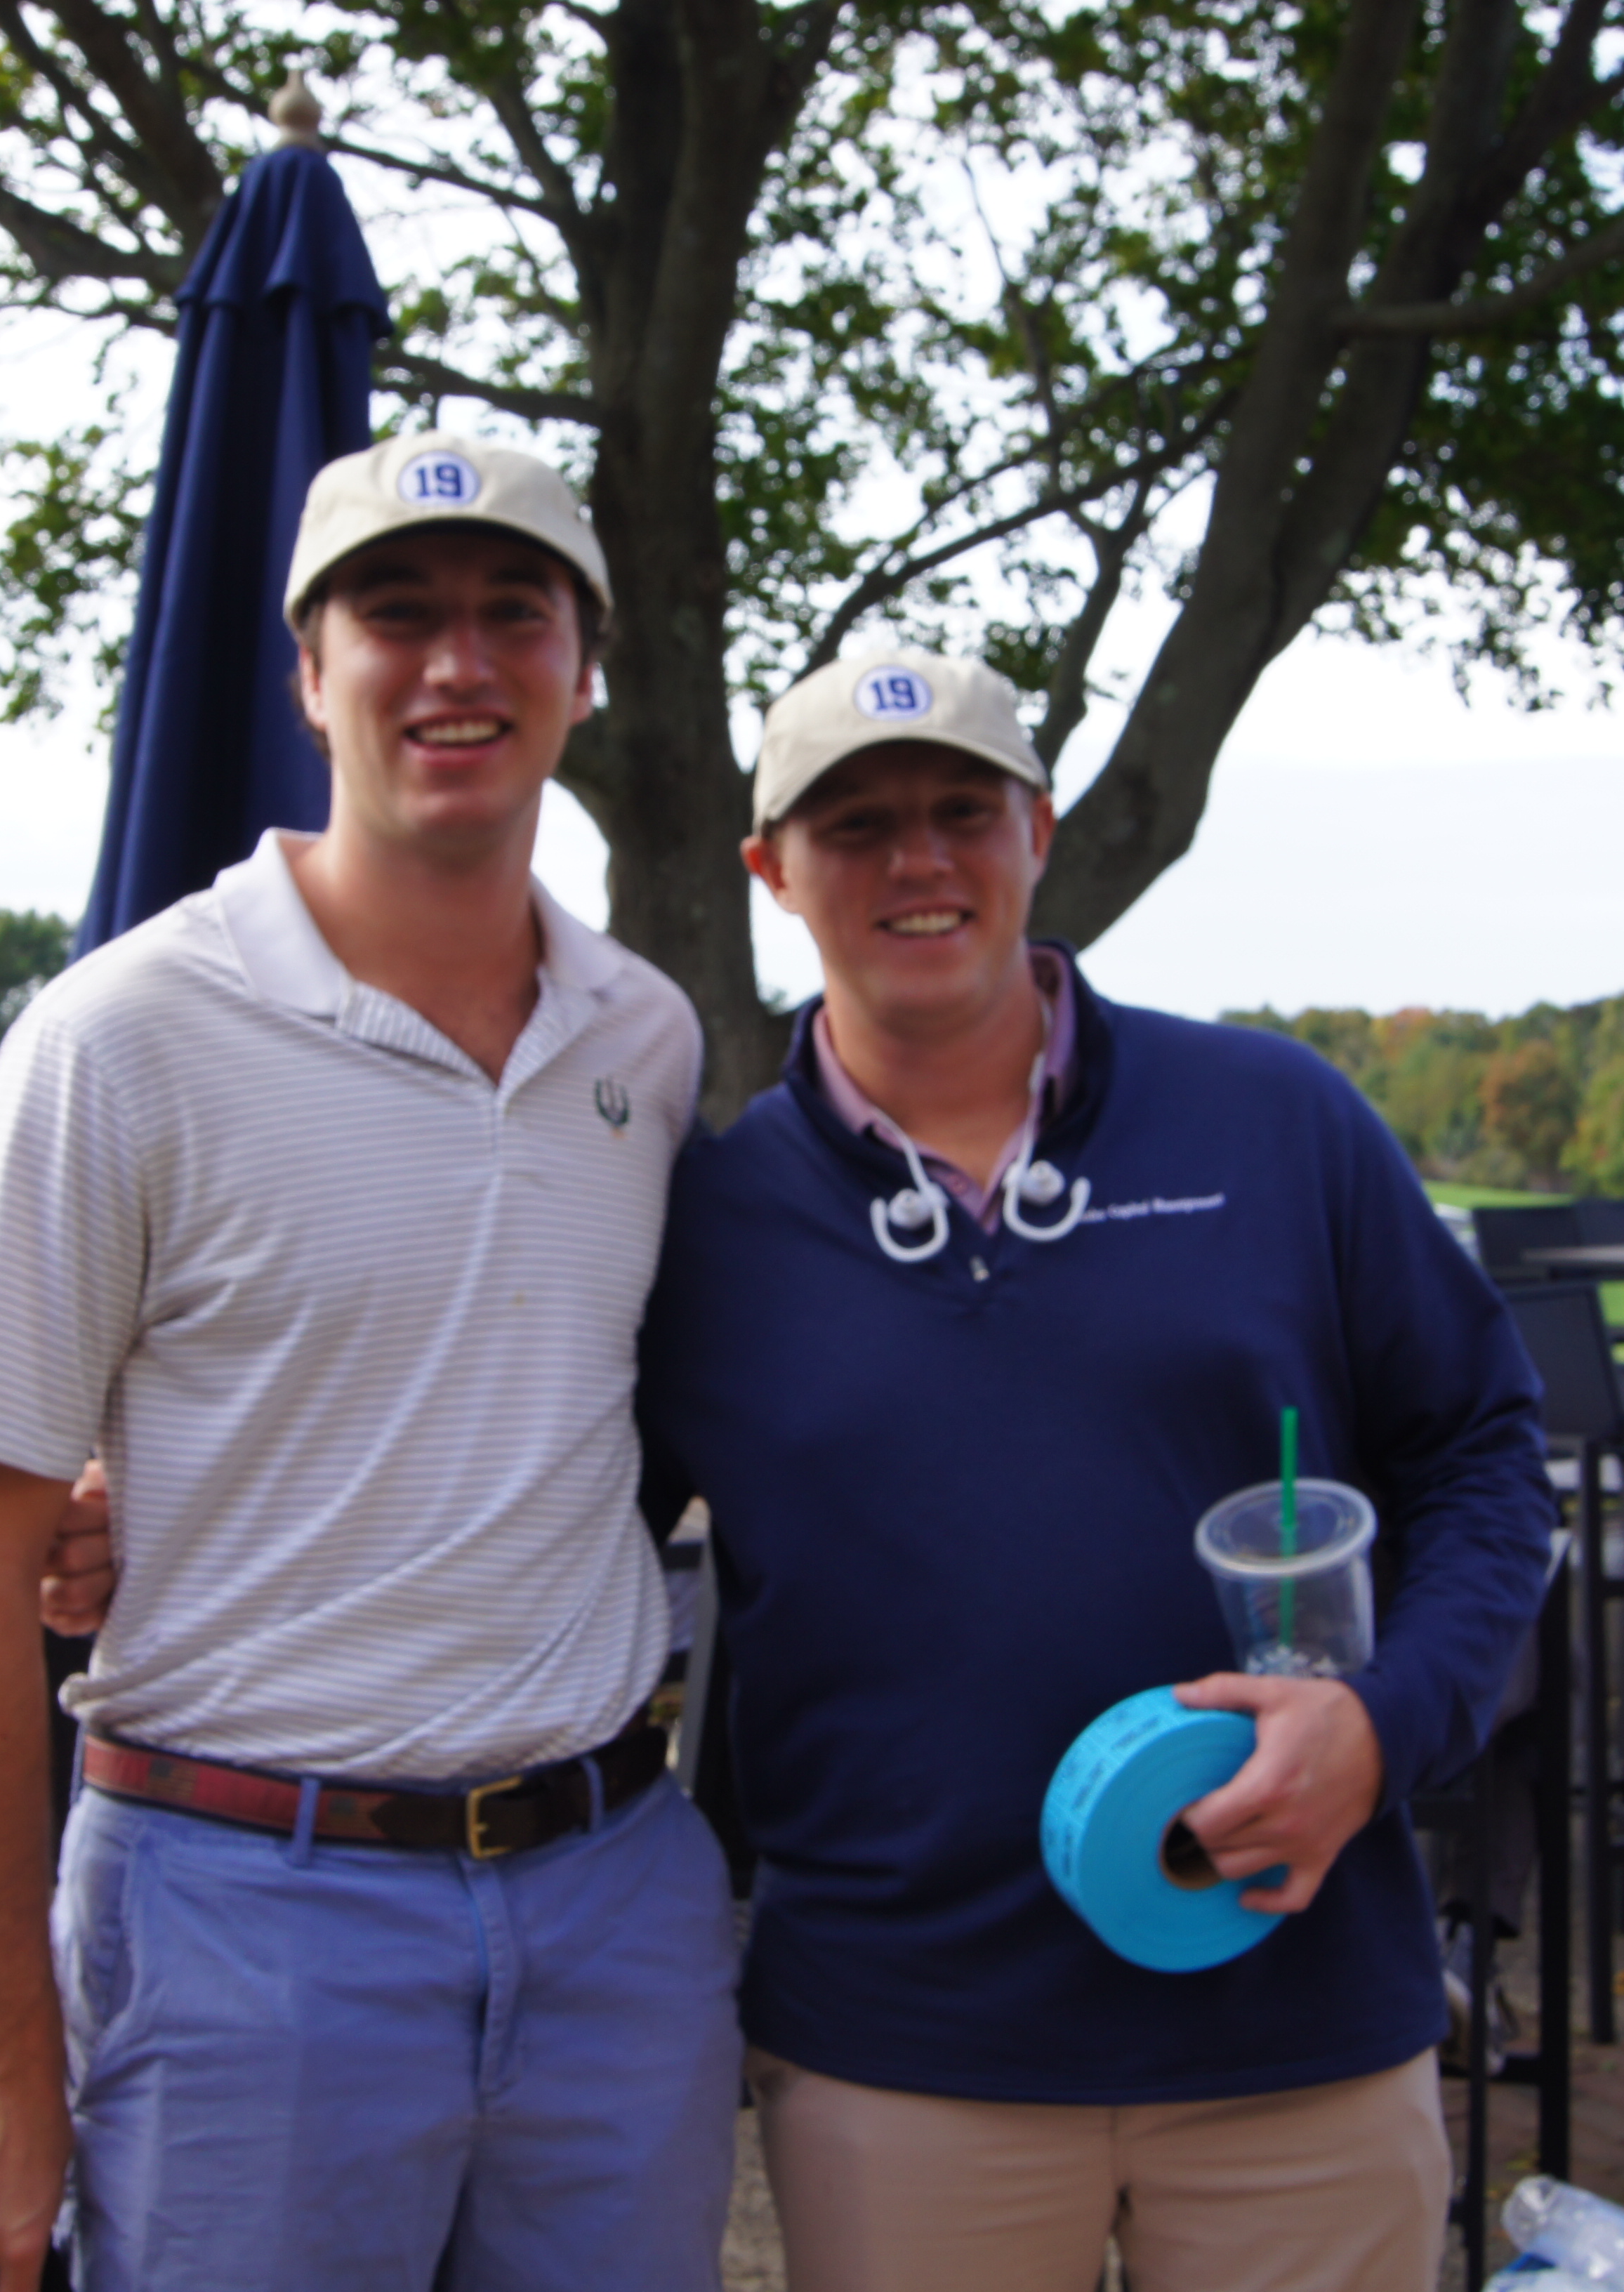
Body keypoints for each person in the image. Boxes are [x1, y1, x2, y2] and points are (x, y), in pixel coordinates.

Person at [0, 433, 741, 2292]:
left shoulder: (645, 1041)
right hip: (240, 1920)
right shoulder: (122, 1037)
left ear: (584, 674)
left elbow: (582, 1414)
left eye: (516, 614)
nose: (457, 663)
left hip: (613, 1903)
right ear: (309, 674)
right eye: (396, 614)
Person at [634, 649, 1553, 2292]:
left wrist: (1387, 1726)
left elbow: (1481, 1455)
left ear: (1037, 831)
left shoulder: (1276, 1120)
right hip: (902, 2054)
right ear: (770, 869)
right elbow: (541, 1529)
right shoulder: (703, 1225)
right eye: (855, 826)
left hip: (1296, 2015)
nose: (917, 860)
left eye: (960, 811)